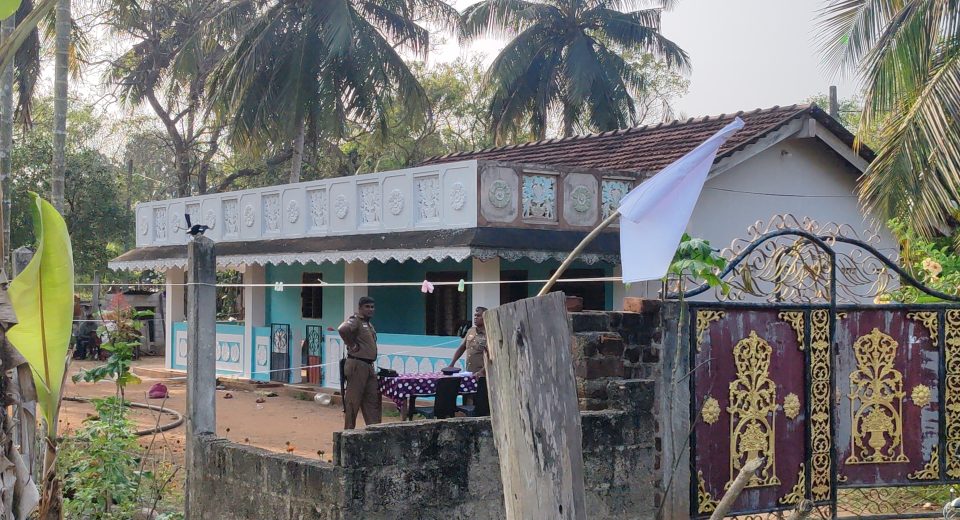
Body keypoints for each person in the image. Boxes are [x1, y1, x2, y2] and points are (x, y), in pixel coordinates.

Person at [337, 296, 382, 430]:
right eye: (367, 307)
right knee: (353, 401)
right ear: (360, 308)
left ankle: (374, 431)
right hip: (357, 364)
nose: (370, 309)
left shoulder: (369, 324)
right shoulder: (356, 320)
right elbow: (342, 329)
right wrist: (351, 344)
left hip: (368, 365)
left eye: (372, 307)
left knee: (372, 400)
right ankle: (349, 432)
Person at [449, 306, 488, 376]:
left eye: (478, 316)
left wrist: (482, 372)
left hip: (483, 374)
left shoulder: (489, 334)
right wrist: (452, 364)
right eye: (475, 315)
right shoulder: (471, 331)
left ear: (485, 317)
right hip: (469, 372)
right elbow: (462, 348)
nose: (475, 318)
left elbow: (492, 357)